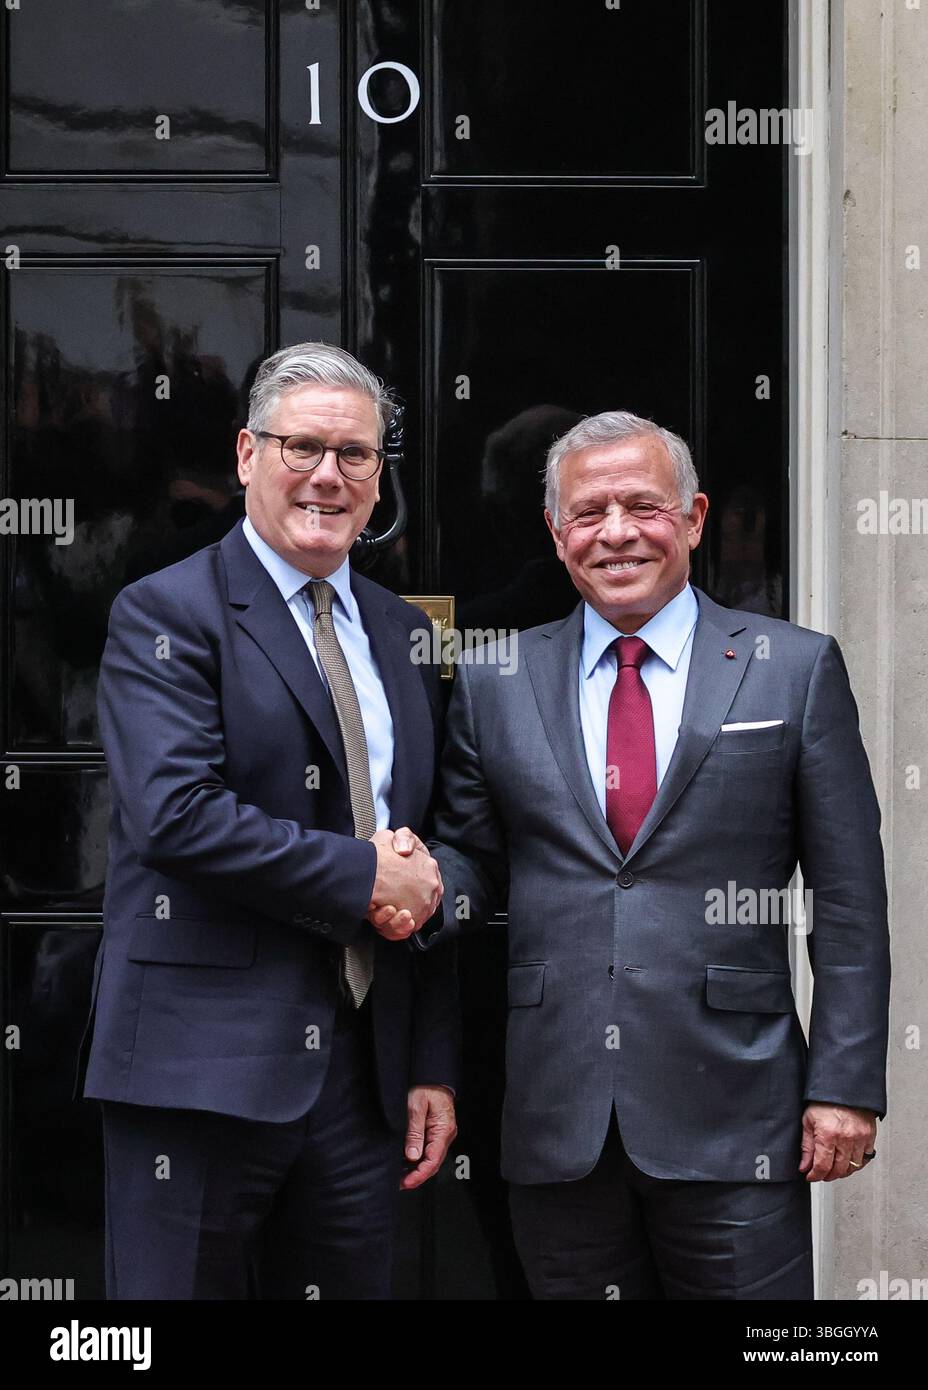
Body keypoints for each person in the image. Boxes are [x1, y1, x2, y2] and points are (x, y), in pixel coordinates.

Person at [373, 409, 890, 1300]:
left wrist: (846, 1084)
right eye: (588, 512)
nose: (615, 532)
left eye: (642, 506)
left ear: (691, 518)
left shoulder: (791, 670)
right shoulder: (495, 679)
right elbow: (474, 864)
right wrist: (407, 887)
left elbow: (849, 897)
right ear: (555, 533)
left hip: (736, 1114)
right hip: (554, 1113)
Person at [75, 341, 458, 1299]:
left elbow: (430, 840)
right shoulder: (165, 612)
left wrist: (429, 1064)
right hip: (199, 1071)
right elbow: (177, 815)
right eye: (303, 447)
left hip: (363, 1087)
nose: (329, 475)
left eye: (357, 455)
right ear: (248, 454)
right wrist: (365, 878)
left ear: (378, 478)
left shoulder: (406, 632)